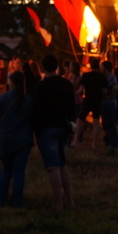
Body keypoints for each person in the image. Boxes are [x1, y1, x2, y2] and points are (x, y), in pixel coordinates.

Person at [31, 55, 76, 210]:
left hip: (47, 128)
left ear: (43, 67)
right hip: (64, 128)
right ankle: (69, 200)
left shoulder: (41, 87)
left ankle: (58, 202)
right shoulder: (66, 84)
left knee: (53, 167)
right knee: (63, 164)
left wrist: (35, 130)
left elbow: (37, 110)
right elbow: (72, 106)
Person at [0, 71, 34, 207]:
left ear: (11, 82)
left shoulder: (2, 98)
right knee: (19, 172)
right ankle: (17, 201)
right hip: (22, 140)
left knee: (6, 171)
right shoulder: (27, 100)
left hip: (5, 139)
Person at [77, 57, 107, 145]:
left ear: (90, 66)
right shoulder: (102, 77)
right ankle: (94, 143)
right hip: (98, 100)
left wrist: (77, 93)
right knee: (96, 121)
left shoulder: (86, 76)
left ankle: (75, 140)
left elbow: (81, 89)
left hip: (87, 100)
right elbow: (104, 91)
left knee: (79, 119)